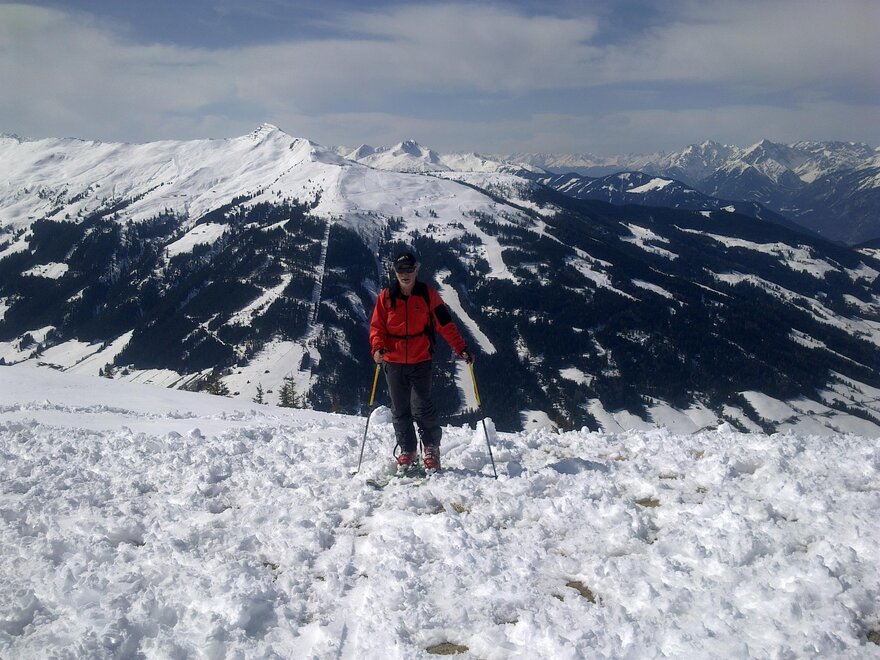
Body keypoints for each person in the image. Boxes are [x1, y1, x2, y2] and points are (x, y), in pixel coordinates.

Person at [369, 251, 473, 474]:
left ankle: (431, 448)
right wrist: (377, 348)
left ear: (417, 270)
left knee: (421, 406)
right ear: (395, 272)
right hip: (393, 361)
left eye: (409, 269)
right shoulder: (386, 297)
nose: (405, 274)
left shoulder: (428, 295)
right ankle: (408, 450)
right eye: (400, 270)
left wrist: (461, 348)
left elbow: (445, 323)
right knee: (400, 409)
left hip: (420, 360)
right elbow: (377, 327)